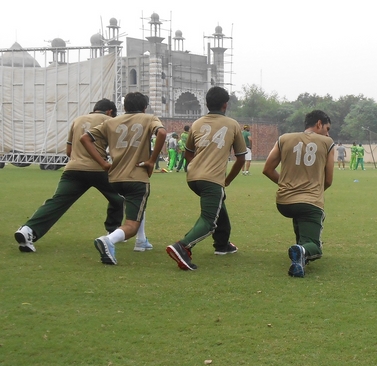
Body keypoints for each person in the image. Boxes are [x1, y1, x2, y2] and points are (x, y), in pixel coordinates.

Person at [14, 99, 124, 253]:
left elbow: (68, 151)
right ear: (110, 112)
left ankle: (28, 230)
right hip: (98, 169)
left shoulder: (77, 120)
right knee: (119, 197)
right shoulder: (110, 121)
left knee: (57, 202)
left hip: (73, 169)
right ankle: (113, 231)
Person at [166, 86, 247, 271]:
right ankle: (183, 246)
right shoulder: (232, 124)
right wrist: (227, 180)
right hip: (212, 179)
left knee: (220, 206)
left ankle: (222, 244)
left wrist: (198, 166)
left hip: (193, 177)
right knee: (209, 221)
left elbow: (187, 153)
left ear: (206, 103)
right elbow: (241, 157)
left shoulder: (197, 123)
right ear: (225, 105)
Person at [81, 91, 166, 265]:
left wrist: (103, 163)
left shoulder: (110, 122)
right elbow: (162, 134)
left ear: (124, 107)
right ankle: (109, 240)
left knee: (136, 206)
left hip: (115, 178)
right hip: (136, 176)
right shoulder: (149, 118)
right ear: (144, 107)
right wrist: (151, 161)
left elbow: (85, 139)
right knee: (131, 225)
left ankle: (142, 241)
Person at [262, 109, 335, 278]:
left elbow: (267, 169)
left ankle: (299, 257)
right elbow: (329, 180)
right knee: (315, 247)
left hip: (284, 202)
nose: (328, 132)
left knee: (302, 220)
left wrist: (287, 186)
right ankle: (302, 250)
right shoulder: (327, 142)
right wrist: (312, 192)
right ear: (319, 124)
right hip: (309, 201)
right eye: (327, 128)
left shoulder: (284, 138)